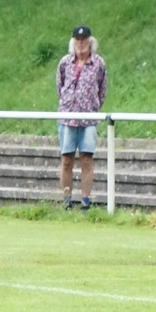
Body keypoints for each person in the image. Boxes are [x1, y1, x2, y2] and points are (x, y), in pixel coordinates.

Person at [56, 24, 108, 210]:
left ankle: (85, 200)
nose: (81, 43)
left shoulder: (98, 63)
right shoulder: (64, 63)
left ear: (90, 41)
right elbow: (59, 87)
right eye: (78, 40)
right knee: (67, 158)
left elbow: (102, 90)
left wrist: (93, 108)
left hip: (89, 119)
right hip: (67, 117)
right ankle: (66, 199)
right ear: (73, 42)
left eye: (84, 40)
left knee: (87, 158)